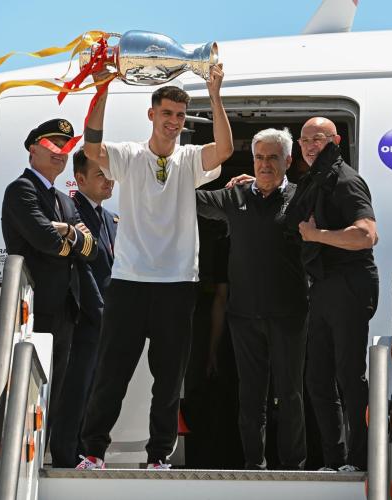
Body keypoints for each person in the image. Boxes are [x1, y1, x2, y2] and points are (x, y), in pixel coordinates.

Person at [76, 64, 233, 470]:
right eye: (166, 113)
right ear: (152, 114)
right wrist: (101, 91)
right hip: (129, 282)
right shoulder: (129, 155)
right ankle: (92, 452)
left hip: (177, 284)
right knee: (112, 374)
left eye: (180, 115)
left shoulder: (190, 158)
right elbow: (92, 150)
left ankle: (158, 456)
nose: (173, 121)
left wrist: (215, 96)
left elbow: (224, 150)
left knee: (168, 380)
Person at [196, 128, 308, 470]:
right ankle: (253, 466)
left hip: (289, 316)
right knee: (251, 396)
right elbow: (190, 200)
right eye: (259, 157)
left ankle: (293, 469)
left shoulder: (303, 198)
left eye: (272, 157)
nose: (265, 164)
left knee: (290, 395)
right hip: (243, 316)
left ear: (288, 161)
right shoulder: (236, 196)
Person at [0, 118, 98, 464]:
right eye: (53, 145)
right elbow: (46, 242)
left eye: (66, 146)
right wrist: (71, 240)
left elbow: (91, 249)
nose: (61, 152)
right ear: (33, 149)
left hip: (65, 310)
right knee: (31, 391)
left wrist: (67, 232)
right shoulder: (21, 190)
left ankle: (41, 459)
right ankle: (25, 462)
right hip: (36, 309)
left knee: (54, 392)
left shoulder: (64, 201)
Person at [285, 117, 379, 472]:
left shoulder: (345, 180)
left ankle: (360, 459)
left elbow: (366, 235)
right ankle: (335, 459)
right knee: (317, 379)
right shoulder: (315, 180)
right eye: (305, 140)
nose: (310, 146)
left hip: (349, 284)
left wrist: (316, 236)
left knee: (349, 375)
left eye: (318, 139)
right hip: (324, 285)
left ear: (335, 141)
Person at [49, 148, 117, 467]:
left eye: (110, 174)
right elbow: (82, 268)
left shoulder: (109, 218)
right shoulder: (70, 212)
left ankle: (83, 453)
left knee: (93, 392)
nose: (109, 180)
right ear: (80, 178)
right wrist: (102, 312)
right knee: (75, 390)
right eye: (101, 174)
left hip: (105, 320)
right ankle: (66, 455)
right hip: (83, 320)